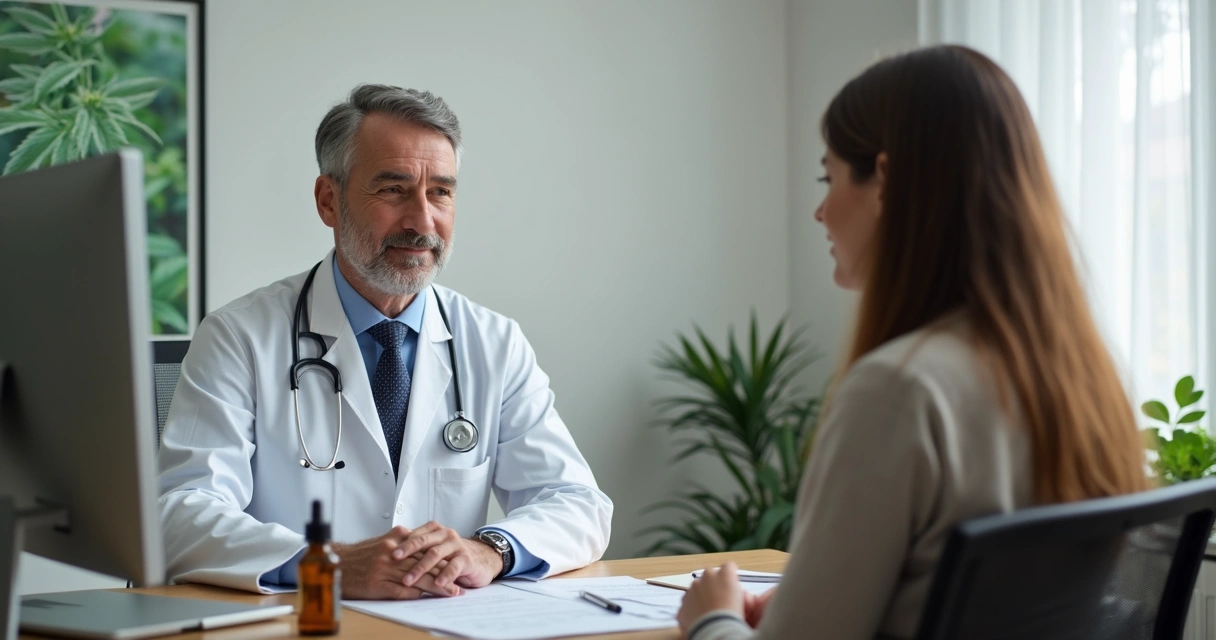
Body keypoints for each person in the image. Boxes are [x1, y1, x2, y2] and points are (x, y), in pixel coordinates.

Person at [676, 45, 1150, 639]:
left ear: (886, 181)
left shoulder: (898, 392)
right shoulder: (1087, 380)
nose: (821, 211)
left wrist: (712, 618)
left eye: (830, 177)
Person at [157, 85, 612, 598]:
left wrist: (490, 550)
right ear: (329, 201)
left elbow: (578, 502)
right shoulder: (239, 337)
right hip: (303, 625)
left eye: (440, 191)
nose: (422, 221)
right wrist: (326, 565)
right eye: (393, 190)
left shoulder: (493, 342)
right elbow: (182, 511)